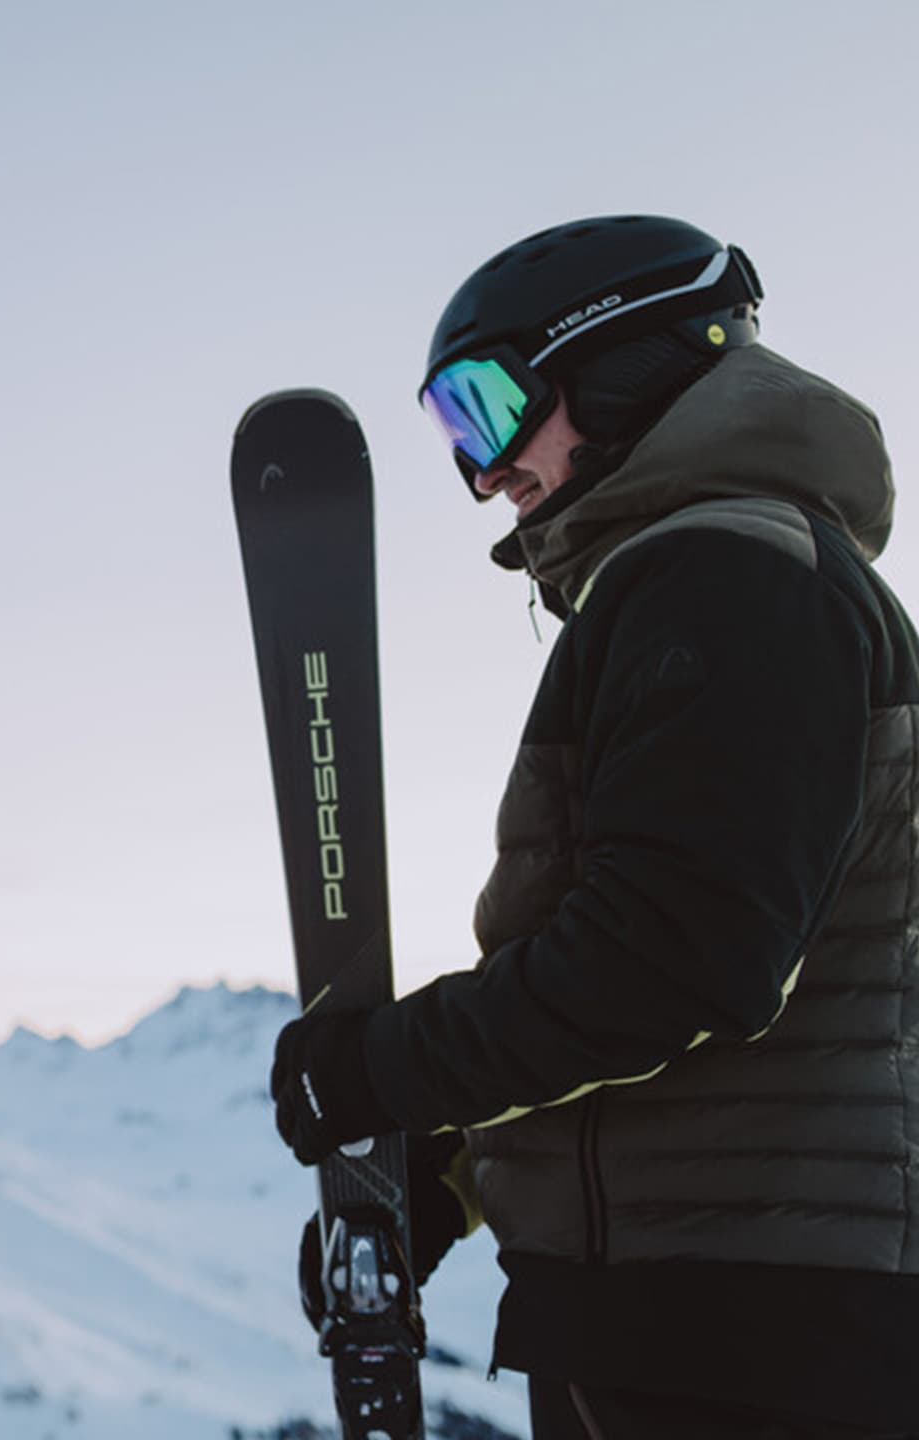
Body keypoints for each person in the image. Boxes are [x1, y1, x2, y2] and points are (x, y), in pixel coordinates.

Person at [268, 215, 919, 1437]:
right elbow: (649, 979)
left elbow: (672, 959)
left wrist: (381, 1074)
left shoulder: (732, 580)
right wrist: (449, 1171)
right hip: (697, 1310)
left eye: (487, 407)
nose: (483, 473)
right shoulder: (707, 579)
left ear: (623, 365)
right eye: (454, 432)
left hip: (748, 1333)